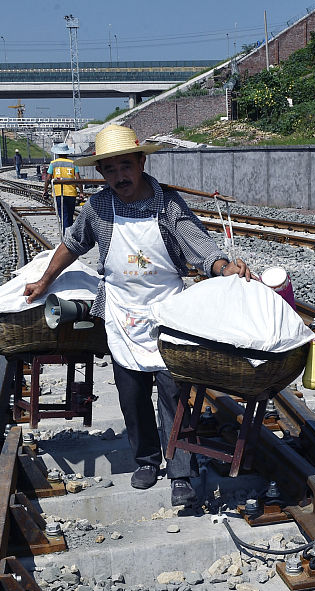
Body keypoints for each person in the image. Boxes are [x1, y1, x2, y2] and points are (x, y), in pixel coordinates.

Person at [23, 124, 253, 508]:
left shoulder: (168, 204)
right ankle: (145, 460)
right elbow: (72, 244)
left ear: (142, 162)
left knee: (173, 394)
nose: (118, 177)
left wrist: (223, 267)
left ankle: (181, 470)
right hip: (121, 313)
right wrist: (45, 280)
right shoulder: (98, 208)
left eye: (125, 166)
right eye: (109, 170)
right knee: (132, 396)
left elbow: (199, 246)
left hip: (166, 311)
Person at [44, 144, 79, 237]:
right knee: (70, 215)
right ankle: (69, 235)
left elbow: (48, 178)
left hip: (59, 192)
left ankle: (66, 237)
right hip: (71, 192)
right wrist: (82, 192)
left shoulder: (53, 163)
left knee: (63, 215)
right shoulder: (73, 163)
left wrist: (45, 190)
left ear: (58, 153)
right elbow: (78, 178)